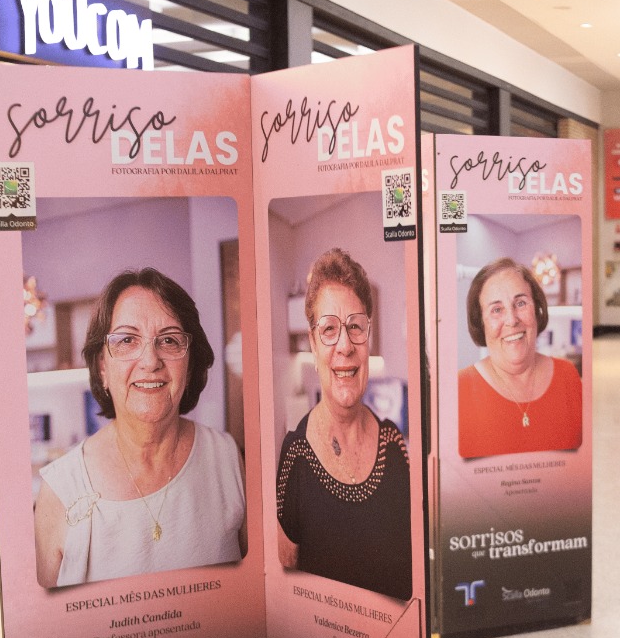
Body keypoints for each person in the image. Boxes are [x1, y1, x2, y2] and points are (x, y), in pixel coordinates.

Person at [33, 268, 244, 588]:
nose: (150, 361)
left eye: (169, 340)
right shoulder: (60, 490)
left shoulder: (227, 458)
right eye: (127, 340)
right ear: (102, 367)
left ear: (190, 365)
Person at [276, 248, 411, 600]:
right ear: (312, 343)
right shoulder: (295, 456)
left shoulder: (395, 445)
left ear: (368, 336)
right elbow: (287, 587)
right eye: (329, 329)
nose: (345, 346)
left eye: (355, 327)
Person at [457, 257, 582, 458]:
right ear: (480, 322)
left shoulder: (568, 375)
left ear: (537, 309)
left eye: (521, 303)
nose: (512, 320)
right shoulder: (460, 388)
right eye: (497, 310)